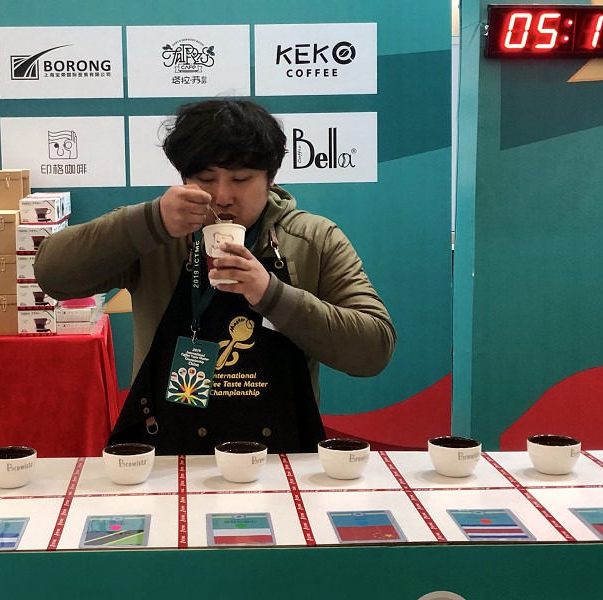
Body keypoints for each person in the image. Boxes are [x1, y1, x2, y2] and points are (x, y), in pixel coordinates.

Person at [34, 98, 396, 455]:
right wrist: (152, 220)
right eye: (206, 179)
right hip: (167, 456)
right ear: (184, 179)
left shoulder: (313, 239)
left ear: (271, 178)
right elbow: (52, 275)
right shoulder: (156, 234)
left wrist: (272, 294)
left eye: (241, 179)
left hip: (282, 458)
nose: (222, 197)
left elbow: (374, 350)